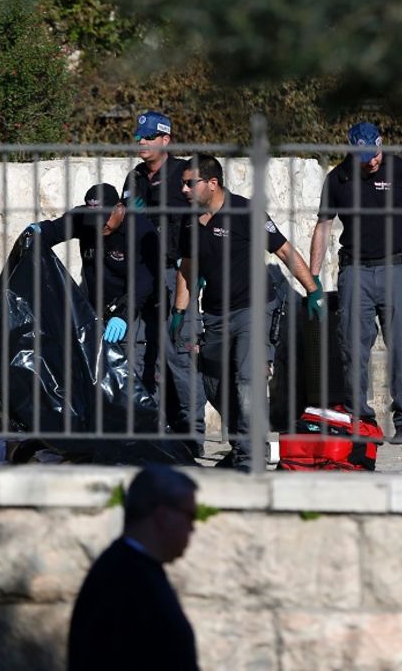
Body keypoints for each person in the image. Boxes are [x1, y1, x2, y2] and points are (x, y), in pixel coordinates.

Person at [174, 154, 322, 471]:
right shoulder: (190, 220)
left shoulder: (244, 212)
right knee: (213, 383)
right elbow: (187, 268)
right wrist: (179, 311)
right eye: (182, 183)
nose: (184, 189)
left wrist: (312, 289)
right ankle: (243, 445)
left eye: (190, 183)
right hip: (214, 313)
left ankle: (251, 454)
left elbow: (283, 249)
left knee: (246, 380)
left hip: (253, 309)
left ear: (212, 184)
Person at [309, 122, 402, 445]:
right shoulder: (337, 179)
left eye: (376, 154)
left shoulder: (397, 167)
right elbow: (323, 227)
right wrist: (312, 279)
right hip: (355, 271)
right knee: (353, 349)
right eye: (366, 157)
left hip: (396, 268)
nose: (373, 161)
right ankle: (360, 420)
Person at [122, 111, 207, 453]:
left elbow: (203, 221)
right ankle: (150, 433)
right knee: (141, 354)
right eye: (138, 138)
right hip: (143, 276)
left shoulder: (184, 175)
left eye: (147, 137)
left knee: (180, 355)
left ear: (165, 140)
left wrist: (198, 273)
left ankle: (193, 436)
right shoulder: (135, 178)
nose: (141, 143)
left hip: (178, 274)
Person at [28, 183, 163, 391]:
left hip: (137, 311)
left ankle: (147, 423)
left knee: (134, 377)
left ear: (119, 208)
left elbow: (144, 281)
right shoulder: (84, 219)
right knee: (103, 376)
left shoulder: (141, 230)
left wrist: (124, 314)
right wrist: (36, 232)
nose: (99, 227)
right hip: (101, 310)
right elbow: (54, 231)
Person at [67, 465, 199, 671]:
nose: (192, 527)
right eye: (190, 516)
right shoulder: (124, 580)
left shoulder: (132, 569)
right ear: (163, 516)